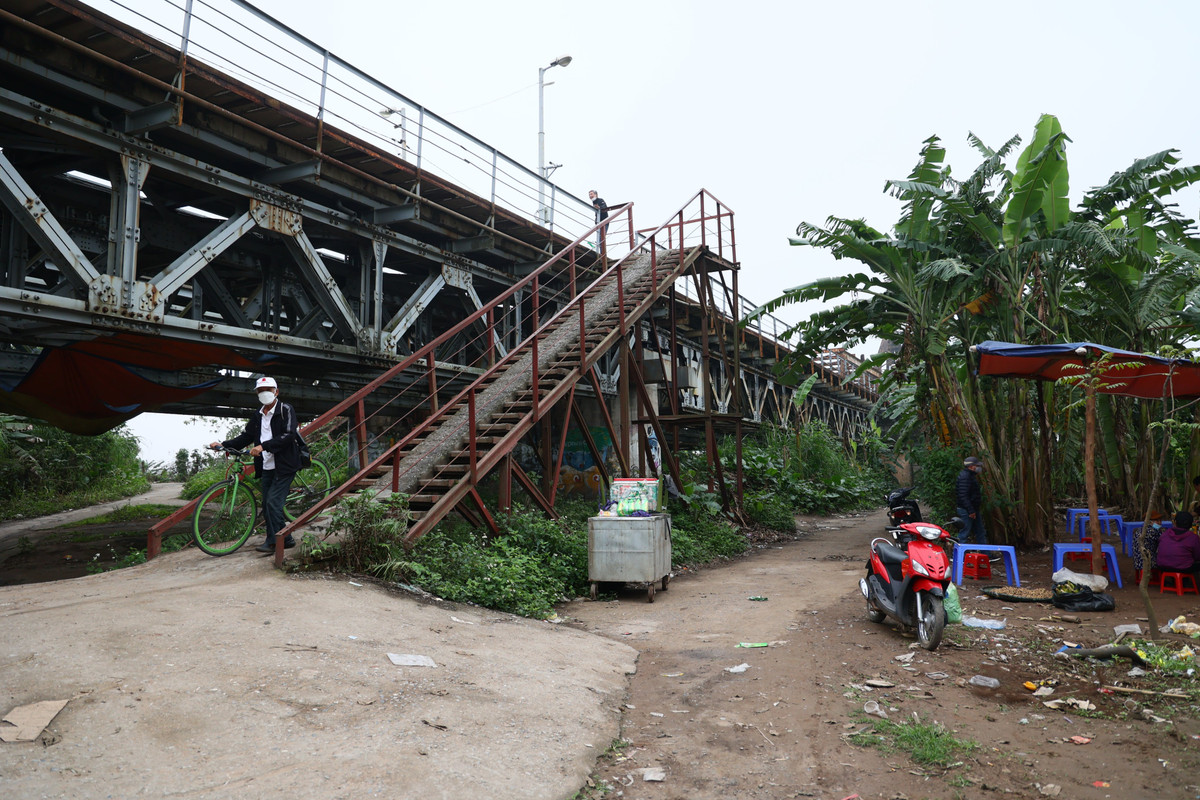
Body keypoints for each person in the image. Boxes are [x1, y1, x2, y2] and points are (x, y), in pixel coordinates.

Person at [210, 376, 303, 553]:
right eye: (260, 390)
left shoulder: (285, 409)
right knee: (267, 504)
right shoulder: (258, 415)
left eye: (268, 389)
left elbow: (289, 434)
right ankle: (282, 539)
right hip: (266, 466)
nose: (264, 393)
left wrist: (263, 446)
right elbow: (246, 437)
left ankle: (278, 540)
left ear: (276, 392)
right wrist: (224, 445)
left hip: (285, 464)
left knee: (273, 503)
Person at [1156, 510, 1200, 584]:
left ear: (1175, 522)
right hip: (1183, 568)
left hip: (1162, 566)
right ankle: (1184, 583)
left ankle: (1176, 582)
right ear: (1191, 524)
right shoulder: (1193, 537)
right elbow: (1198, 556)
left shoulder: (1165, 533)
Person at [955, 455, 986, 545]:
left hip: (971, 509)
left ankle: (986, 555)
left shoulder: (969, 476)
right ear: (971, 466)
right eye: (977, 466)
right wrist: (971, 510)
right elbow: (963, 496)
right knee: (964, 533)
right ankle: (958, 556)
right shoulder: (966, 477)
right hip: (967, 510)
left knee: (980, 532)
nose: (978, 468)